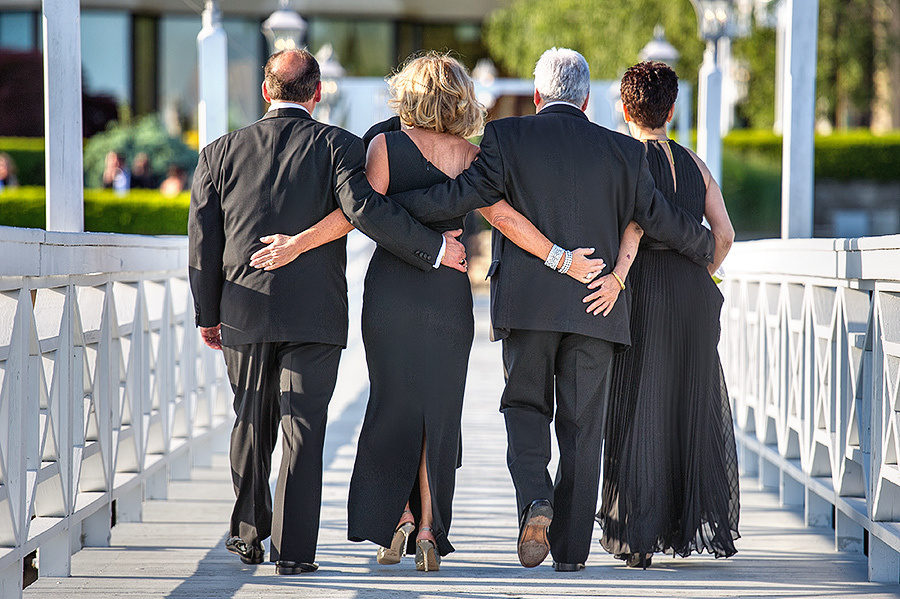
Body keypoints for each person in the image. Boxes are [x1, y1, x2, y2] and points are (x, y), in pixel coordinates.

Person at [249, 52, 605, 572]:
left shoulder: (384, 146)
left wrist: (298, 244)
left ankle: (398, 518)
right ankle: (432, 529)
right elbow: (502, 216)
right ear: (460, 96)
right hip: (448, 292)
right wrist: (560, 257)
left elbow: (361, 213)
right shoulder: (471, 154)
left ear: (408, 95)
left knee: (393, 401)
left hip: (391, 291)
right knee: (440, 412)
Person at [383, 47, 716, 572]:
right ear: (586, 99)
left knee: (525, 408)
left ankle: (536, 499)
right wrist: (707, 252)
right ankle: (571, 556)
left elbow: (461, 196)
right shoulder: (623, 153)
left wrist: (390, 210)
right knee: (584, 430)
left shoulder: (505, 138)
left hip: (528, 305)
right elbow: (660, 218)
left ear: (537, 96)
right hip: (598, 307)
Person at [188, 48, 468, 576]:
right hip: (316, 313)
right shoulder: (338, 145)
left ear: (266, 91)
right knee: (304, 426)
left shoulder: (219, 153)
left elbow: (204, 240)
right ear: (316, 94)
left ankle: (248, 533)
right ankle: (293, 551)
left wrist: (208, 312)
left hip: (243, 307)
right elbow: (365, 209)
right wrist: (433, 248)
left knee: (251, 417)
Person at [593, 61, 739, 568]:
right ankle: (684, 522)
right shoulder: (695, 164)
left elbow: (632, 228)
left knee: (638, 406)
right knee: (685, 405)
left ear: (625, 108)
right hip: (693, 294)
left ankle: (636, 536)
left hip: (642, 290)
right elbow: (725, 235)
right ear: (672, 110)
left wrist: (617, 277)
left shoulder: (621, 156)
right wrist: (704, 271)